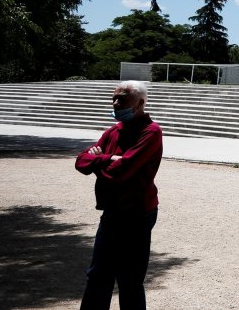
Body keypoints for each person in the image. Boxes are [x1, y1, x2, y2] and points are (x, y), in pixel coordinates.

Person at [75, 81, 164, 310]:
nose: (115, 103)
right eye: (114, 98)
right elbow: (81, 162)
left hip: (137, 213)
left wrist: (97, 161)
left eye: (122, 99)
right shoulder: (113, 131)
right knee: (98, 274)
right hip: (113, 211)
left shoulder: (151, 132)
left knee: (130, 279)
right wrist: (106, 159)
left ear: (140, 103)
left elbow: (121, 172)